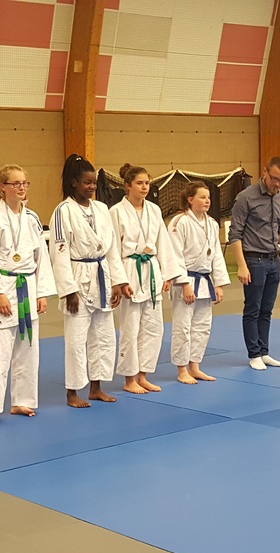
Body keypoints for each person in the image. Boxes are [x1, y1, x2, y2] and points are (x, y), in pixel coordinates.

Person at [0, 164, 56, 424]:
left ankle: (22, 401)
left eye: (25, 183)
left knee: (28, 349)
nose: (22, 188)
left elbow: (41, 257)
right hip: (5, 285)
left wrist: (42, 292)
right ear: (3, 188)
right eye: (16, 183)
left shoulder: (32, 218)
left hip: (28, 286)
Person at [50, 154, 132, 408]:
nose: (92, 187)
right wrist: (68, 290)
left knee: (104, 336)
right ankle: (72, 392)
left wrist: (118, 281)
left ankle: (96, 387)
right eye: (87, 182)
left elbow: (112, 249)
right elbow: (59, 253)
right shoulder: (63, 211)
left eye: (94, 182)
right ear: (74, 182)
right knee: (76, 340)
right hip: (78, 275)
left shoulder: (101, 209)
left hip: (102, 275)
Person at [110, 164, 183, 394]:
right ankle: (129, 378)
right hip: (130, 269)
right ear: (127, 186)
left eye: (147, 183)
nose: (144, 187)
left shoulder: (154, 209)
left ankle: (143, 374)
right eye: (139, 183)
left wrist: (167, 273)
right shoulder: (116, 212)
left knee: (153, 328)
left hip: (151, 270)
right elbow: (113, 248)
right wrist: (120, 281)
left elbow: (163, 242)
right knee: (130, 328)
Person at [228, 156, 280, 371]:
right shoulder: (245, 198)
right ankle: (254, 354)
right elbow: (235, 234)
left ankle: (264, 351)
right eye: (275, 178)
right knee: (253, 308)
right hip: (254, 260)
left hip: (273, 260)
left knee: (267, 309)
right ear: (265, 172)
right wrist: (241, 265)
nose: (278, 184)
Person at [168, 181, 230, 384]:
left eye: (208, 197)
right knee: (183, 327)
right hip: (185, 280)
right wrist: (184, 283)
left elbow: (217, 254)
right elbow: (174, 255)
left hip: (204, 280)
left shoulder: (212, 223)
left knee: (202, 326)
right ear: (190, 199)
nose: (207, 201)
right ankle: (181, 369)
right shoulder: (180, 222)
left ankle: (194, 366)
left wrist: (219, 283)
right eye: (202, 197)